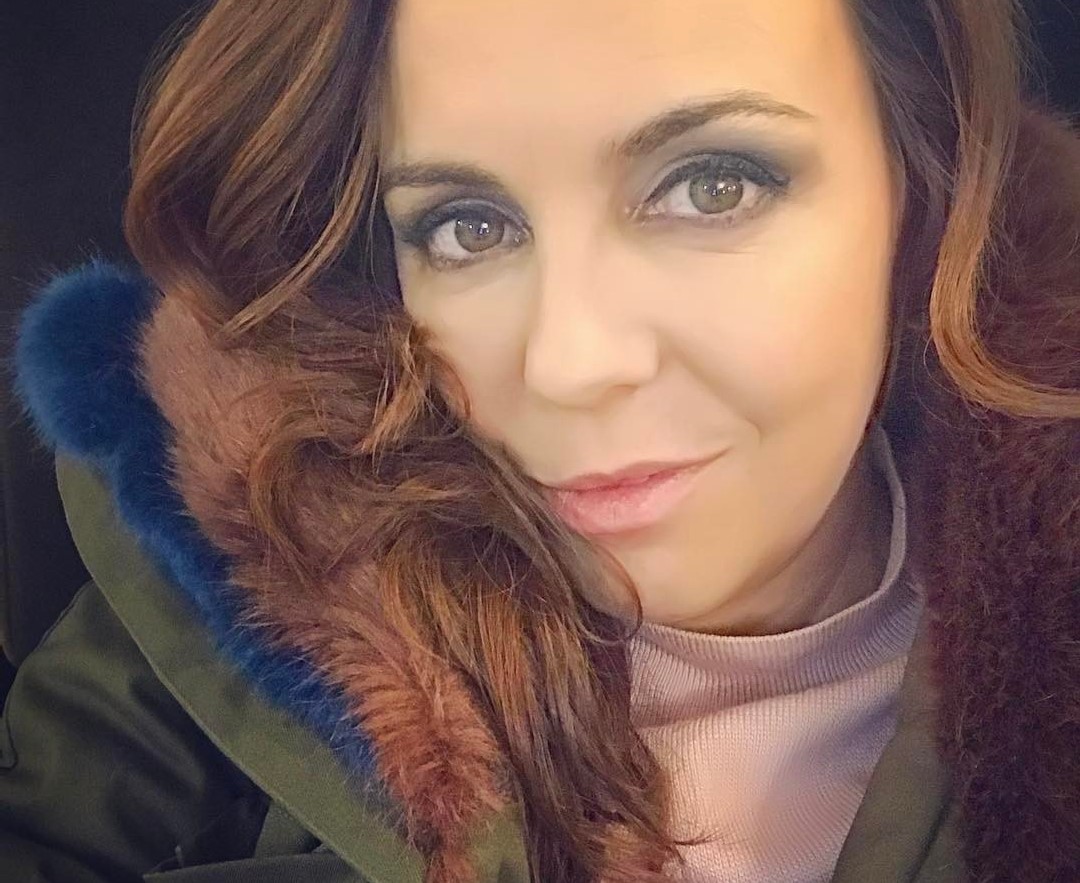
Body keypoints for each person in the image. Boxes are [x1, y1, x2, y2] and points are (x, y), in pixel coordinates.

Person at [4, 0, 1079, 880]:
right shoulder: (249, 570)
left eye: (713, 185)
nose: (568, 362)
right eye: (467, 226)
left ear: (922, 187)